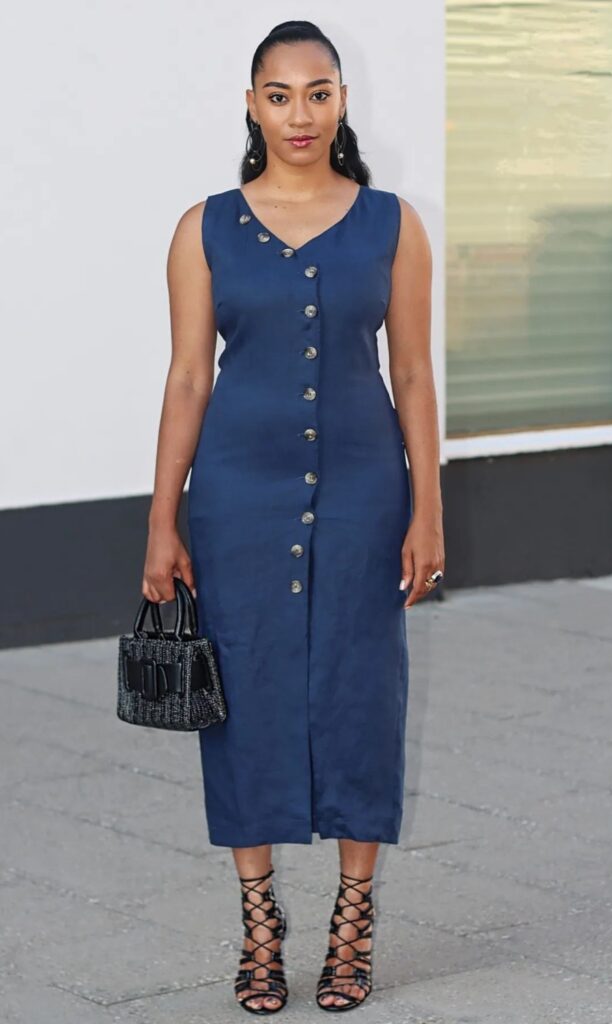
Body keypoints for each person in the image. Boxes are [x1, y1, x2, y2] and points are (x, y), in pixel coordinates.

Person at [142, 18, 444, 1016]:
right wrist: (162, 520)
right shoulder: (204, 227)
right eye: (280, 93)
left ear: (343, 101)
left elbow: (409, 371)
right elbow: (188, 376)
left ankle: (352, 923)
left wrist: (427, 509)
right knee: (244, 696)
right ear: (250, 103)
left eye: (319, 92)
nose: (300, 113)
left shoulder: (394, 224)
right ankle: (259, 927)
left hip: (365, 490)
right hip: (234, 493)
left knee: (363, 689)